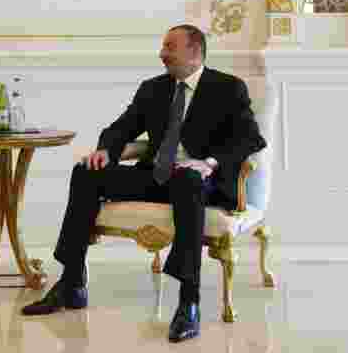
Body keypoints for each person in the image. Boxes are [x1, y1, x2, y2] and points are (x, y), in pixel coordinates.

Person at [20, 24, 266, 343]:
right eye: (163, 47)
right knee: (85, 172)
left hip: (200, 181)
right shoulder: (153, 89)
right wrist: (105, 151)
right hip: (155, 175)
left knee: (187, 180)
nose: (161, 54)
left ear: (194, 52)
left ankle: (188, 301)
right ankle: (71, 283)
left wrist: (208, 163)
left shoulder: (228, 88)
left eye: (169, 47)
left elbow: (250, 138)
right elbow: (121, 128)